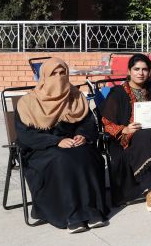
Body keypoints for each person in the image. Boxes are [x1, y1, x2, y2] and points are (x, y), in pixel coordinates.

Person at [15, 59, 109, 231]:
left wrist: (82, 135)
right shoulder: (28, 103)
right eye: (53, 74)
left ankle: (92, 211)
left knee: (87, 156)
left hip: (74, 143)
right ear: (43, 77)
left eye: (62, 73)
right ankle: (72, 216)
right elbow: (26, 136)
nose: (59, 77)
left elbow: (87, 123)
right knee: (62, 160)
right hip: (42, 149)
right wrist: (56, 141)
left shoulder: (76, 97)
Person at [101, 54, 151, 211]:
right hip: (133, 136)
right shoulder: (118, 93)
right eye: (136, 69)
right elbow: (107, 122)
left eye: (145, 69)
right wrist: (124, 129)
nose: (141, 73)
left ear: (150, 71)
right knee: (143, 135)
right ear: (129, 71)